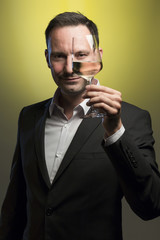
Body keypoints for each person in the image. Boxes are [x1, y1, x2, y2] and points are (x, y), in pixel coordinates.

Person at [0, 11, 160, 240]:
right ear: (47, 58)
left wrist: (115, 132)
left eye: (81, 55)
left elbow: (151, 205)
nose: (69, 68)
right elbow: (14, 208)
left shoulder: (133, 119)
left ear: (98, 56)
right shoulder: (29, 117)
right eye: (58, 56)